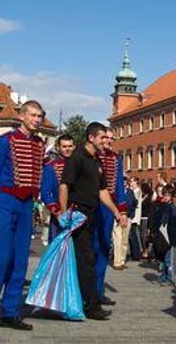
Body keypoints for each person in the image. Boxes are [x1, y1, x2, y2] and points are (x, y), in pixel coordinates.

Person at [0, 101, 47, 331]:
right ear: (22, 116)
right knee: (2, 256)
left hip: (26, 204)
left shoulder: (39, 144)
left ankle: (10, 311)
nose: (37, 120)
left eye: (40, 116)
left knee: (20, 260)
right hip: (5, 200)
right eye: (33, 115)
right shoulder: (4, 142)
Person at [58, 122, 128, 321]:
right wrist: (64, 214)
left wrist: (116, 211)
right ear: (91, 138)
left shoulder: (97, 161)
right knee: (86, 259)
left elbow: (103, 191)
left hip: (92, 213)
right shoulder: (76, 158)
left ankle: (88, 301)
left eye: (107, 138)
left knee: (88, 259)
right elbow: (64, 186)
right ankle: (90, 304)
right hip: (78, 214)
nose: (105, 141)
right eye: (101, 137)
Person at [95, 127, 128, 296]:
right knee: (91, 248)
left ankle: (99, 292)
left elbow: (120, 187)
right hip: (93, 206)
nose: (108, 140)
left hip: (109, 208)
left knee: (103, 247)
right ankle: (89, 292)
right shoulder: (91, 156)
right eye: (106, 137)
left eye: (111, 138)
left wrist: (122, 211)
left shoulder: (116, 158)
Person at [39, 134, 74, 242]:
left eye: (69, 146)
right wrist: (57, 211)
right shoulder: (51, 166)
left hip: (77, 213)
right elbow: (45, 192)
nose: (67, 149)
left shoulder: (79, 164)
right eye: (64, 146)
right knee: (57, 247)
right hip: (59, 213)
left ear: (74, 147)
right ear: (58, 148)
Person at [152, 184, 176, 285]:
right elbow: (157, 221)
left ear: (172, 196)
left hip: (170, 238)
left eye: (168, 195)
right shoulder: (161, 207)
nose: (166, 197)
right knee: (162, 258)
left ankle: (170, 277)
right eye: (164, 195)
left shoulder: (173, 209)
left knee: (169, 259)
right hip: (161, 237)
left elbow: (174, 226)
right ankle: (163, 275)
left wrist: (173, 241)